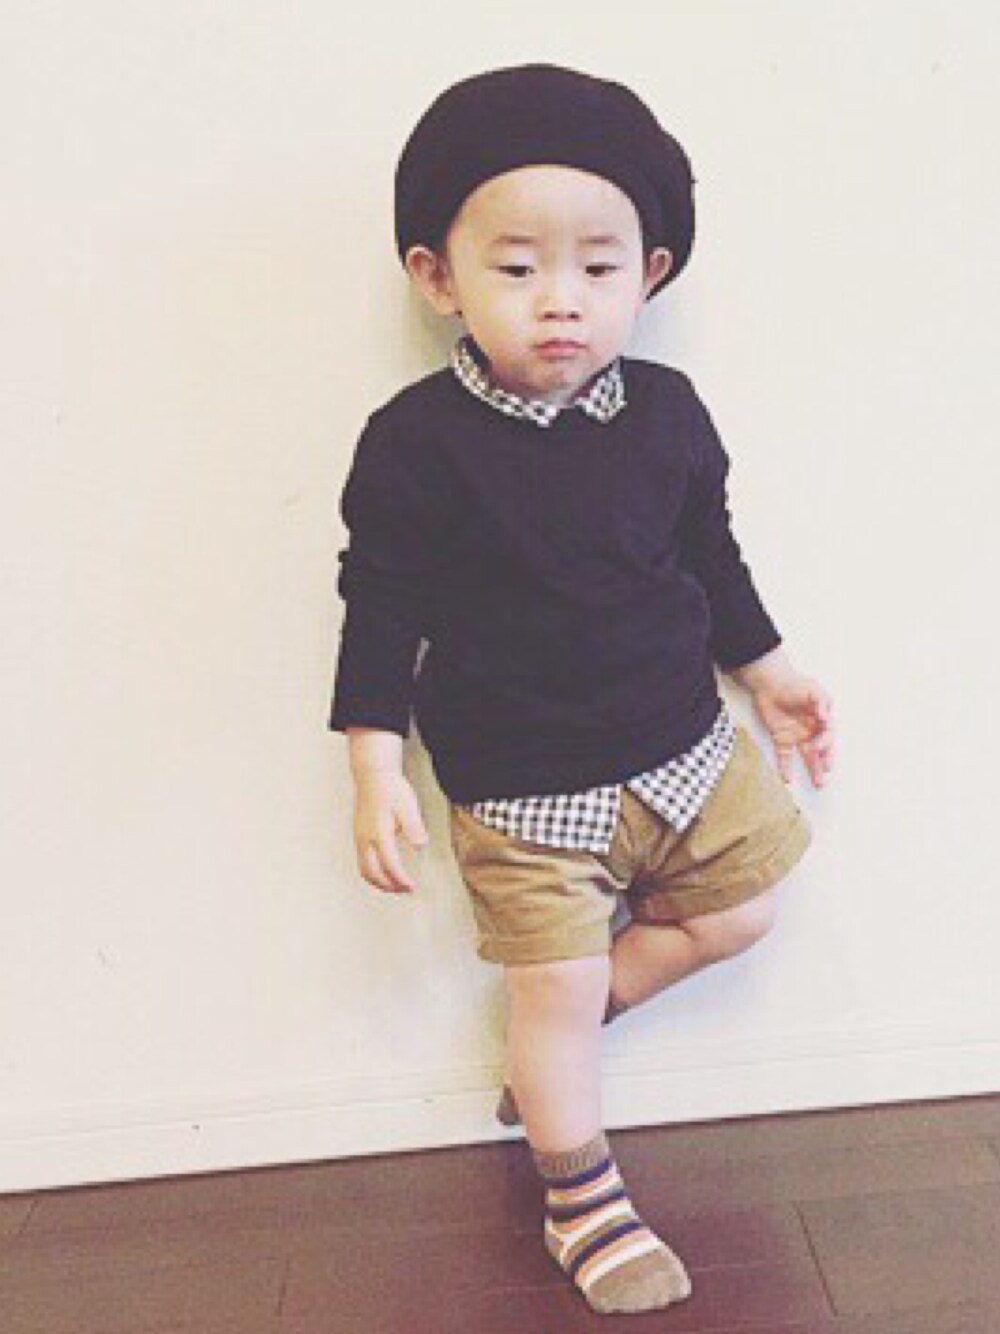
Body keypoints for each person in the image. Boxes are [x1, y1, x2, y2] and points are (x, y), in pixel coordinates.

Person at [329, 62, 836, 1316]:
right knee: (547, 990)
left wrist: (770, 672)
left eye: (598, 267)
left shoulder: (667, 411)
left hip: (683, 749)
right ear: (437, 276)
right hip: (520, 785)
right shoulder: (415, 442)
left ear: (648, 273)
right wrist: (374, 763)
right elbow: (380, 604)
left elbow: (709, 555)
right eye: (516, 267)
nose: (561, 298)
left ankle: (559, 1042)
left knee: (742, 910)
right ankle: (578, 1188)